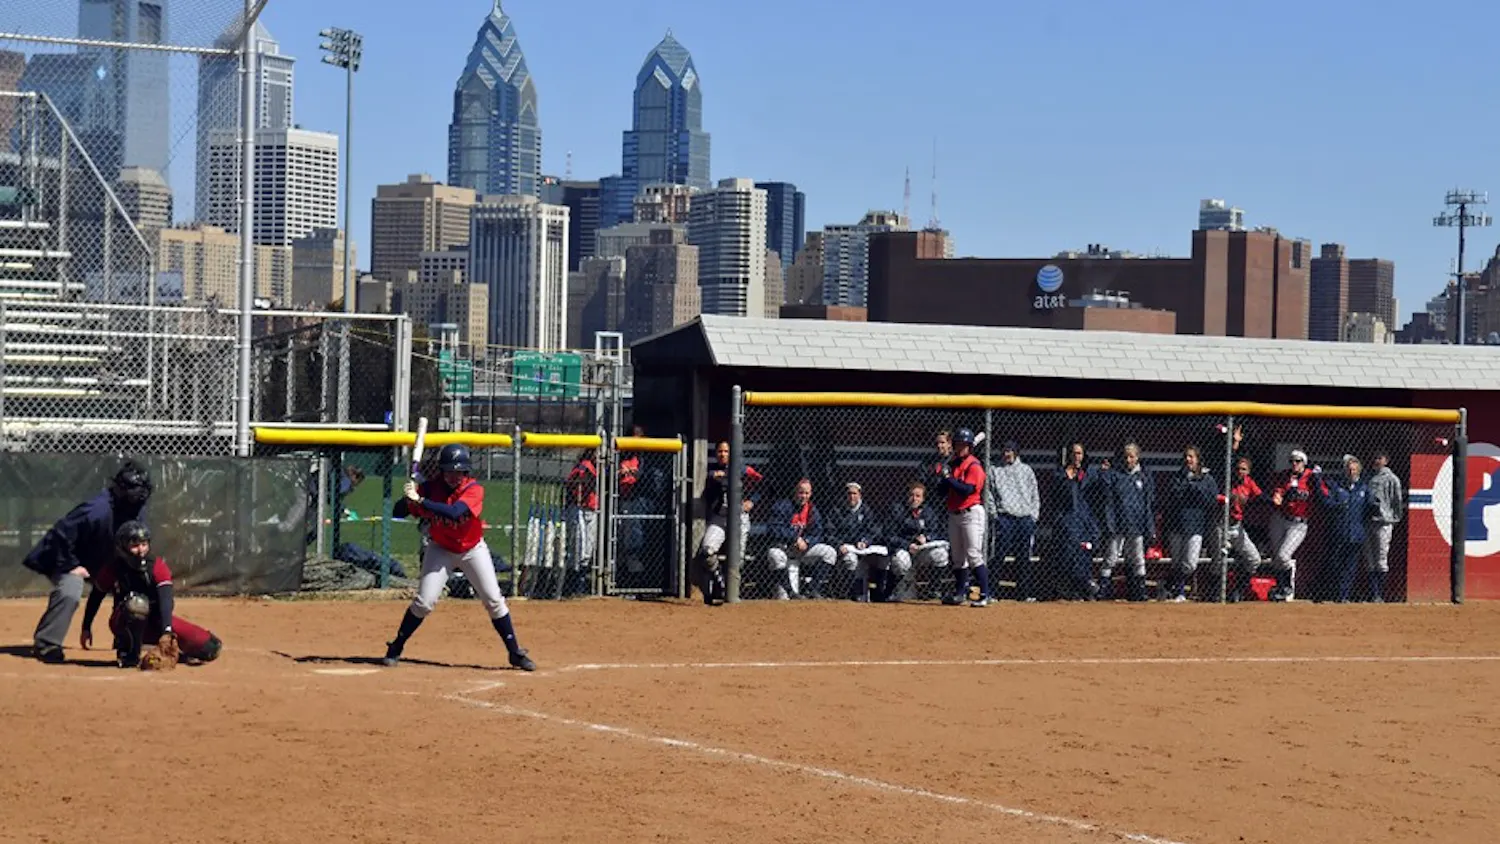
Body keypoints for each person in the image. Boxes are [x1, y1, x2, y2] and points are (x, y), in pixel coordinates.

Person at [381, 444, 535, 671]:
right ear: (441, 471)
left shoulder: (473, 490)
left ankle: (514, 652)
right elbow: (397, 512)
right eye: (449, 471)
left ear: (466, 472)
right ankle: (396, 646)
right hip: (440, 549)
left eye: (459, 471)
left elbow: (455, 513)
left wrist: (421, 501)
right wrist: (408, 497)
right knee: (424, 602)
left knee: (494, 599)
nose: (454, 476)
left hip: (472, 550)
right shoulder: (429, 489)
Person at [23, 460, 152, 663]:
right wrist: (71, 565)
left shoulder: (135, 508)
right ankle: (47, 643)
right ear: (120, 490)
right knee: (71, 590)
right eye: (135, 491)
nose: (139, 497)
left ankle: (126, 640)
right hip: (62, 556)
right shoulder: (96, 510)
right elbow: (60, 535)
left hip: (98, 560)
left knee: (135, 587)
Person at [80, 522, 222, 668]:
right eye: (134, 545)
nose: (141, 550)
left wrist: (166, 631)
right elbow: (96, 595)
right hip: (123, 622)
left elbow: (166, 600)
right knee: (137, 605)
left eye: (144, 544)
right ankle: (130, 650)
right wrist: (86, 627)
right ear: (122, 547)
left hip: (155, 621)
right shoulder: (114, 568)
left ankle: (172, 654)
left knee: (210, 647)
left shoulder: (156, 566)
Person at [695, 440, 762, 605]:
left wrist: (751, 501)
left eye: (726, 451)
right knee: (706, 551)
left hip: (739, 517)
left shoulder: (742, 469)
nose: (723, 454)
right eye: (720, 451)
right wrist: (713, 477)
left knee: (738, 558)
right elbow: (706, 484)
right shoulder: (713, 472)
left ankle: (734, 592)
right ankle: (720, 583)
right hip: (721, 516)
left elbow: (764, 484)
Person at [934, 428, 989, 606]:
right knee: (958, 557)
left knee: (974, 555)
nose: (960, 447)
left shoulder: (974, 466)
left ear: (970, 447)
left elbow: (967, 490)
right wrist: (943, 477)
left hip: (971, 513)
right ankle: (960, 593)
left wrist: (949, 478)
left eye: (963, 445)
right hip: (954, 513)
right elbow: (940, 492)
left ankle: (985, 594)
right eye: (957, 444)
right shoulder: (954, 465)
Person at [1097, 443, 1154, 602]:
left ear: (1137, 457)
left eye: (1132, 456)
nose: (1128, 460)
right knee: (1111, 557)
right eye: (1126, 457)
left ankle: (1139, 591)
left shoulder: (1143, 476)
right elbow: (1107, 494)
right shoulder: (1116, 475)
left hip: (1136, 524)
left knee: (1137, 558)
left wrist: (1149, 526)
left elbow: (1148, 503)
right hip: (1118, 524)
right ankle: (1104, 588)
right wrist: (1104, 472)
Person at [764, 478, 837, 599]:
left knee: (829, 552)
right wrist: (794, 538)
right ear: (795, 492)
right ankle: (790, 592)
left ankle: (813, 590)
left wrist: (807, 541)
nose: (803, 496)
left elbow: (818, 533)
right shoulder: (782, 506)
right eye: (801, 492)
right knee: (774, 555)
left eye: (807, 493)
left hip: (803, 549)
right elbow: (773, 529)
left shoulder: (812, 510)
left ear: (811, 494)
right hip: (785, 547)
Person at [1162, 446, 1219, 602]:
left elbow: (1210, 500)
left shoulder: (1207, 478)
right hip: (1177, 524)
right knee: (1177, 561)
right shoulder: (1178, 477)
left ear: (1198, 459)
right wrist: (1189, 485)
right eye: (1186, 456)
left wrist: (1194, 486)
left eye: (1192, 457)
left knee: (1190, 563)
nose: (1188, 460)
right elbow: (1175, 496)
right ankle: (1179, 592)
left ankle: (1168, 584)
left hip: (1196, 525)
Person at [1047, 442, 1101, 601]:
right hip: (1066, 521)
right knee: (1066, 555)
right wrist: (1067, 479)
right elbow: (1058, 496)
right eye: (1074, 453)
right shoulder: (1060, 474)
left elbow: (1099, 492)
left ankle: (1084, 589)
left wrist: (1104, 472)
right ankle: (1065, 591)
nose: (1077, 457)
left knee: (1083, 555)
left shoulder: (1088, 475)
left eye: (1080, 454)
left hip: (1084, 521)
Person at [986, 440, 1040, 601]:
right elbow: (988, 493)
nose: (1006, 454)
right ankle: (992, 591)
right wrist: (994, 514)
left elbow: (1034, 494)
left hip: (1024, 517)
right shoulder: (994, 470)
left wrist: (1033, 515)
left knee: (1023, 556)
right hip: (1005, 516)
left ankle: (1023, 593)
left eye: (1010, 451)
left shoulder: (1026, 470)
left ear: (1016, 452)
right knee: (999, 554)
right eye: (1004, 450)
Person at [885, 480, 950, 603]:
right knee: (900, 562)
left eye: (918, 496)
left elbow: (937, 531)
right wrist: (907, 544)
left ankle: (934, 588)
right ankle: (893, 590)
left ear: (923, 498)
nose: (914, 499)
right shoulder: (898, 510)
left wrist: (927, 538)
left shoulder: (928, 512)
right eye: (911, 495)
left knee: (940, 554)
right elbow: (889, 535)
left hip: (922, 550)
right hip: (905, 549)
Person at [1317, 455, 1370, 603]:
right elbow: (1326, 501)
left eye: (1354, 469)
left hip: (1356, 534)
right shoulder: (1337, 486)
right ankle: (1330, 594)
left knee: (1350, 567)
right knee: (1334, 563)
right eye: (1349, 469)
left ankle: (1343, 596)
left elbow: (1369, 509)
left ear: (1359, 471)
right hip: (1338, 532)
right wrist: (1336, 507)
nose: (1351, 472)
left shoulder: (1364, 488)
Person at [1268, 450, 1319, 602]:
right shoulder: (1285, 476)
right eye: (1292, 461)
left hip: (1299, 523)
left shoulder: (1311, 476)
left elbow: (1322, 492)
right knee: (1277, 557)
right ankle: (1280, 588)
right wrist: (1278, 496)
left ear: (1304, 463)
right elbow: (1278, 492)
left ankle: (1288, 586)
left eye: (1297, 461)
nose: (1294, 464)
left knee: (1284, 556)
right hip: (1280, 518)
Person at [829, 482, 886, 602]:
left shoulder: (867, 511)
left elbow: (875, 531)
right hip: (846, 549)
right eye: (849, 493)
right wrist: (839, 544)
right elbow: (829, 533)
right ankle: (849, 593)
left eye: (854, 493)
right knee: (850, 559)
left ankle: (879, 594)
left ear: (860, 495)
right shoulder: (837, 511)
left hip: (863, 548)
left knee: (881, 559)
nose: (852, 496)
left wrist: (865, 541)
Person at [1223, 456, 1265, 602]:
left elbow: (1260, 497)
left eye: (1244, 469)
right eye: (1238, 469)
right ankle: (1216, 592)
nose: (1240, 472)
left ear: (1248, 472)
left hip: (1237, 527)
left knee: (1254, 559)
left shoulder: (1249, 483)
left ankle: (1238, 590)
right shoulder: (1227, 480)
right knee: (1221, 557)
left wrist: (1276, 499)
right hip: (1221, 526)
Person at [1364, 451, 1404, 602]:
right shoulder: (1369, 477)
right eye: (1375, 458)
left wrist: (1393, 518)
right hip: (1369, 521)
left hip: (1384, 521)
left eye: (1380, 458)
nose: (1376, 461)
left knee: (1381, 557)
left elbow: (1397, 500)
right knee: (1370, 557)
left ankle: (1379, 594)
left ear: (1386, 461)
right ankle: (1373, 593)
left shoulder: (1391, 479)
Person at [562, 448, 599, 598]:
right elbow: (575, 484)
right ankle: (574, 585)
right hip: (579, 509)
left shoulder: (596, 467)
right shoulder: (585, 465)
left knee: (588, 548)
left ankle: (580, 584)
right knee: (580, 548)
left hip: (590, 509)